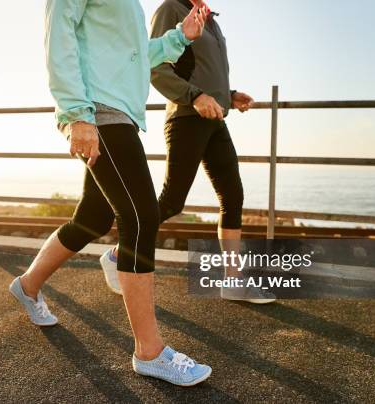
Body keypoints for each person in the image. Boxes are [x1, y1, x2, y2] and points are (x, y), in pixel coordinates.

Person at [9, 0, 213, 387]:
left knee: (93, 217)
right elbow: (59, 37)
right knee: (141, 217)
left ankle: (27, 285)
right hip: (98, 111)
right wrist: (76, 114)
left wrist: (178, 38)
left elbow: (134, 54)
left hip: (119, 112)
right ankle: (149, 352)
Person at [99, 0, 276, 304]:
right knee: (172, 200)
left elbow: (201, 68)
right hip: (186, 118)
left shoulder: (211, 19)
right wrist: (194, 96)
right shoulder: (171, 9)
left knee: (233, 196)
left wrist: (228, 95)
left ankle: (233, 281)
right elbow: (152, 64)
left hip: (214, 118)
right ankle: (117, 255)